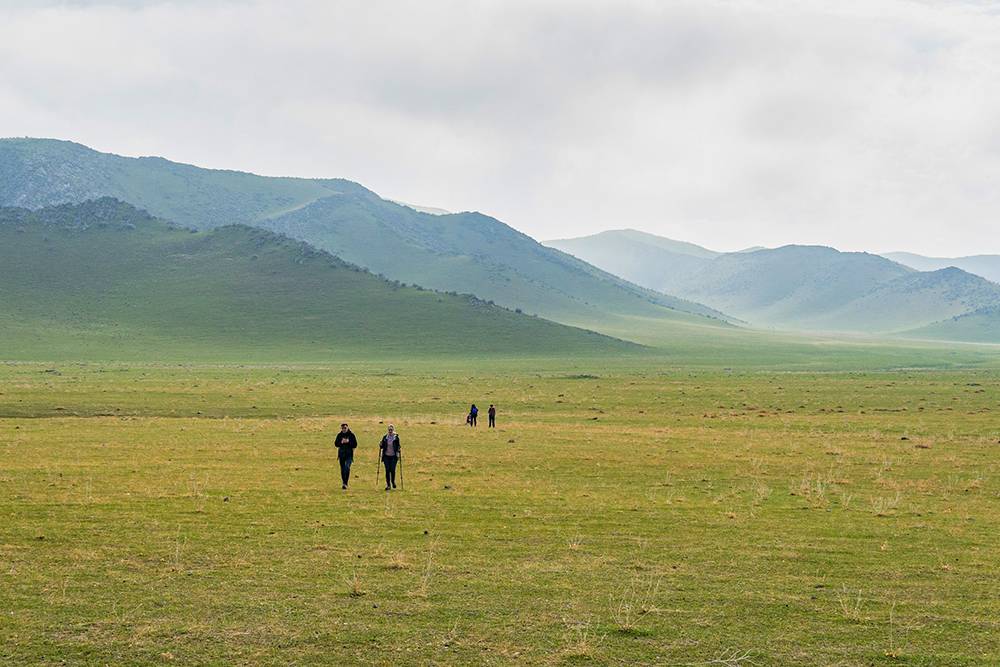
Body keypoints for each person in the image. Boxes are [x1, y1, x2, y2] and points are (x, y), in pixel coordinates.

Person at [335, 423, 358, 489]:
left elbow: (355, 445)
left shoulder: (351, 435)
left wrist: (348, 441)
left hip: (349, 455)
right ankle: (344, 483)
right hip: (341, 455)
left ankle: (346, 482)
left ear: (347, 428)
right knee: (342, 469)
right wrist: (341, 442)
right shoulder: (339, 435)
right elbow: (336, 444)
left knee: (347, 467)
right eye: (342, 428)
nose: (344, 429)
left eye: (345, 428)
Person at [380, 424, 401, 490]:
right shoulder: (385, 437)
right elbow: (382, 446)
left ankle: (393, 482)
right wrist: (380, 445)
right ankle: (388, 485)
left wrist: (398, 450)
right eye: (389, 430)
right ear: (388, 430)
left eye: (391, 430)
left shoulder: (396, 437)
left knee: (392, 470)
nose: (390, 431)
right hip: (386, 456)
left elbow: (398, 446)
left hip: (394, 456)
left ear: (393, 430)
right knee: (387, 470)